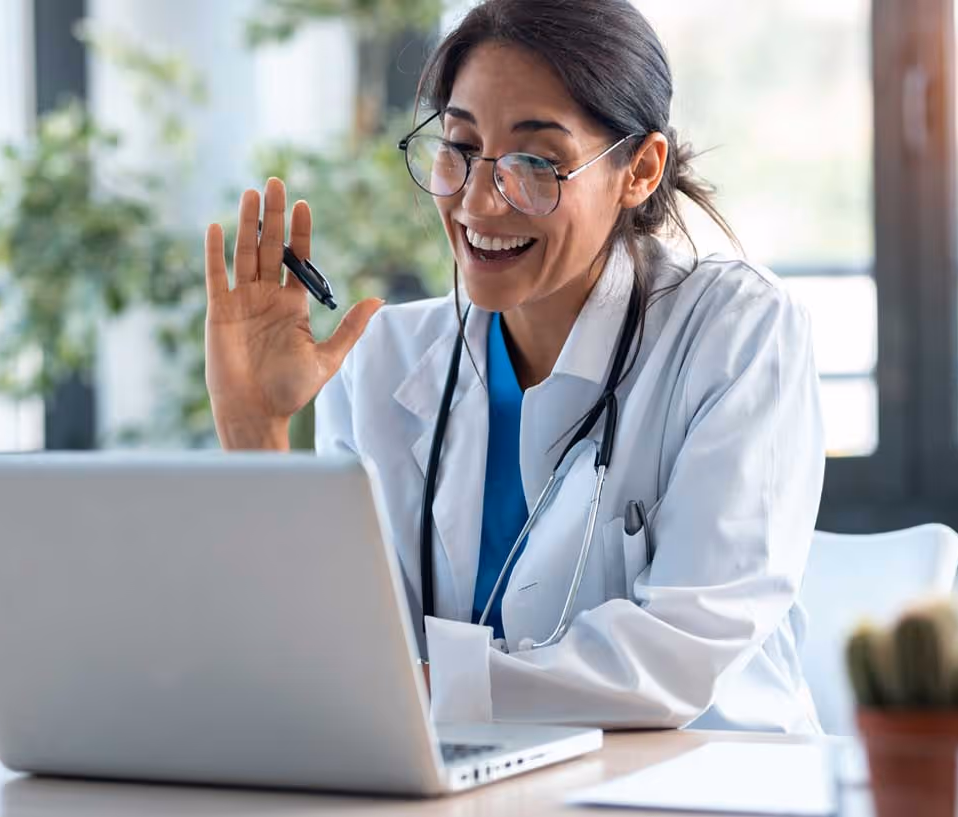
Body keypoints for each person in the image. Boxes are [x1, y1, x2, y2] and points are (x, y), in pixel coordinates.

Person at [202, 0, 825, 732]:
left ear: (640, 169)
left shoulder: (736, 331)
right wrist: (256, 433)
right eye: (460, 147)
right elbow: (327, 654)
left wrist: (418, 690)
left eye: (536, 161)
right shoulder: (383, 359)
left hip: (703, 775)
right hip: (466, 778)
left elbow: (677, 655)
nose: (478, 201)